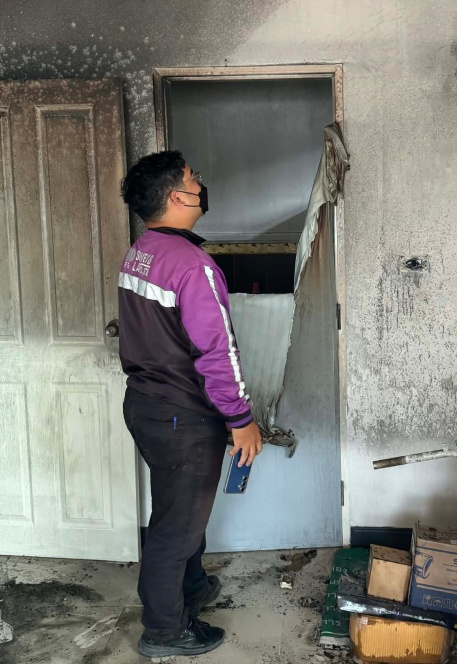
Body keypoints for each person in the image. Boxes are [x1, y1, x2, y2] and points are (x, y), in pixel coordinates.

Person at [118, 150, 263, 658]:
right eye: (192, 178)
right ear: (177, 197)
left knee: (180, 509)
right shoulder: (193, 266)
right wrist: (240, 418)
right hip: (182, 415)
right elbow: (218, 351)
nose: (200, 184)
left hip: (147, 404)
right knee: (176, 527)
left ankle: (192, 587)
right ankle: (164, 630)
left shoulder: (142, 250)